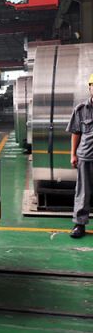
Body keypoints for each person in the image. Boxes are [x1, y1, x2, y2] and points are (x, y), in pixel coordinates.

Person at [67, 73, 93, 238]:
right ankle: (79, 224)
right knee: (83, 191)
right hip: (86, 156)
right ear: (90, 88)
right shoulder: (81, 109)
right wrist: (73, 155)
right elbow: (76, 133)